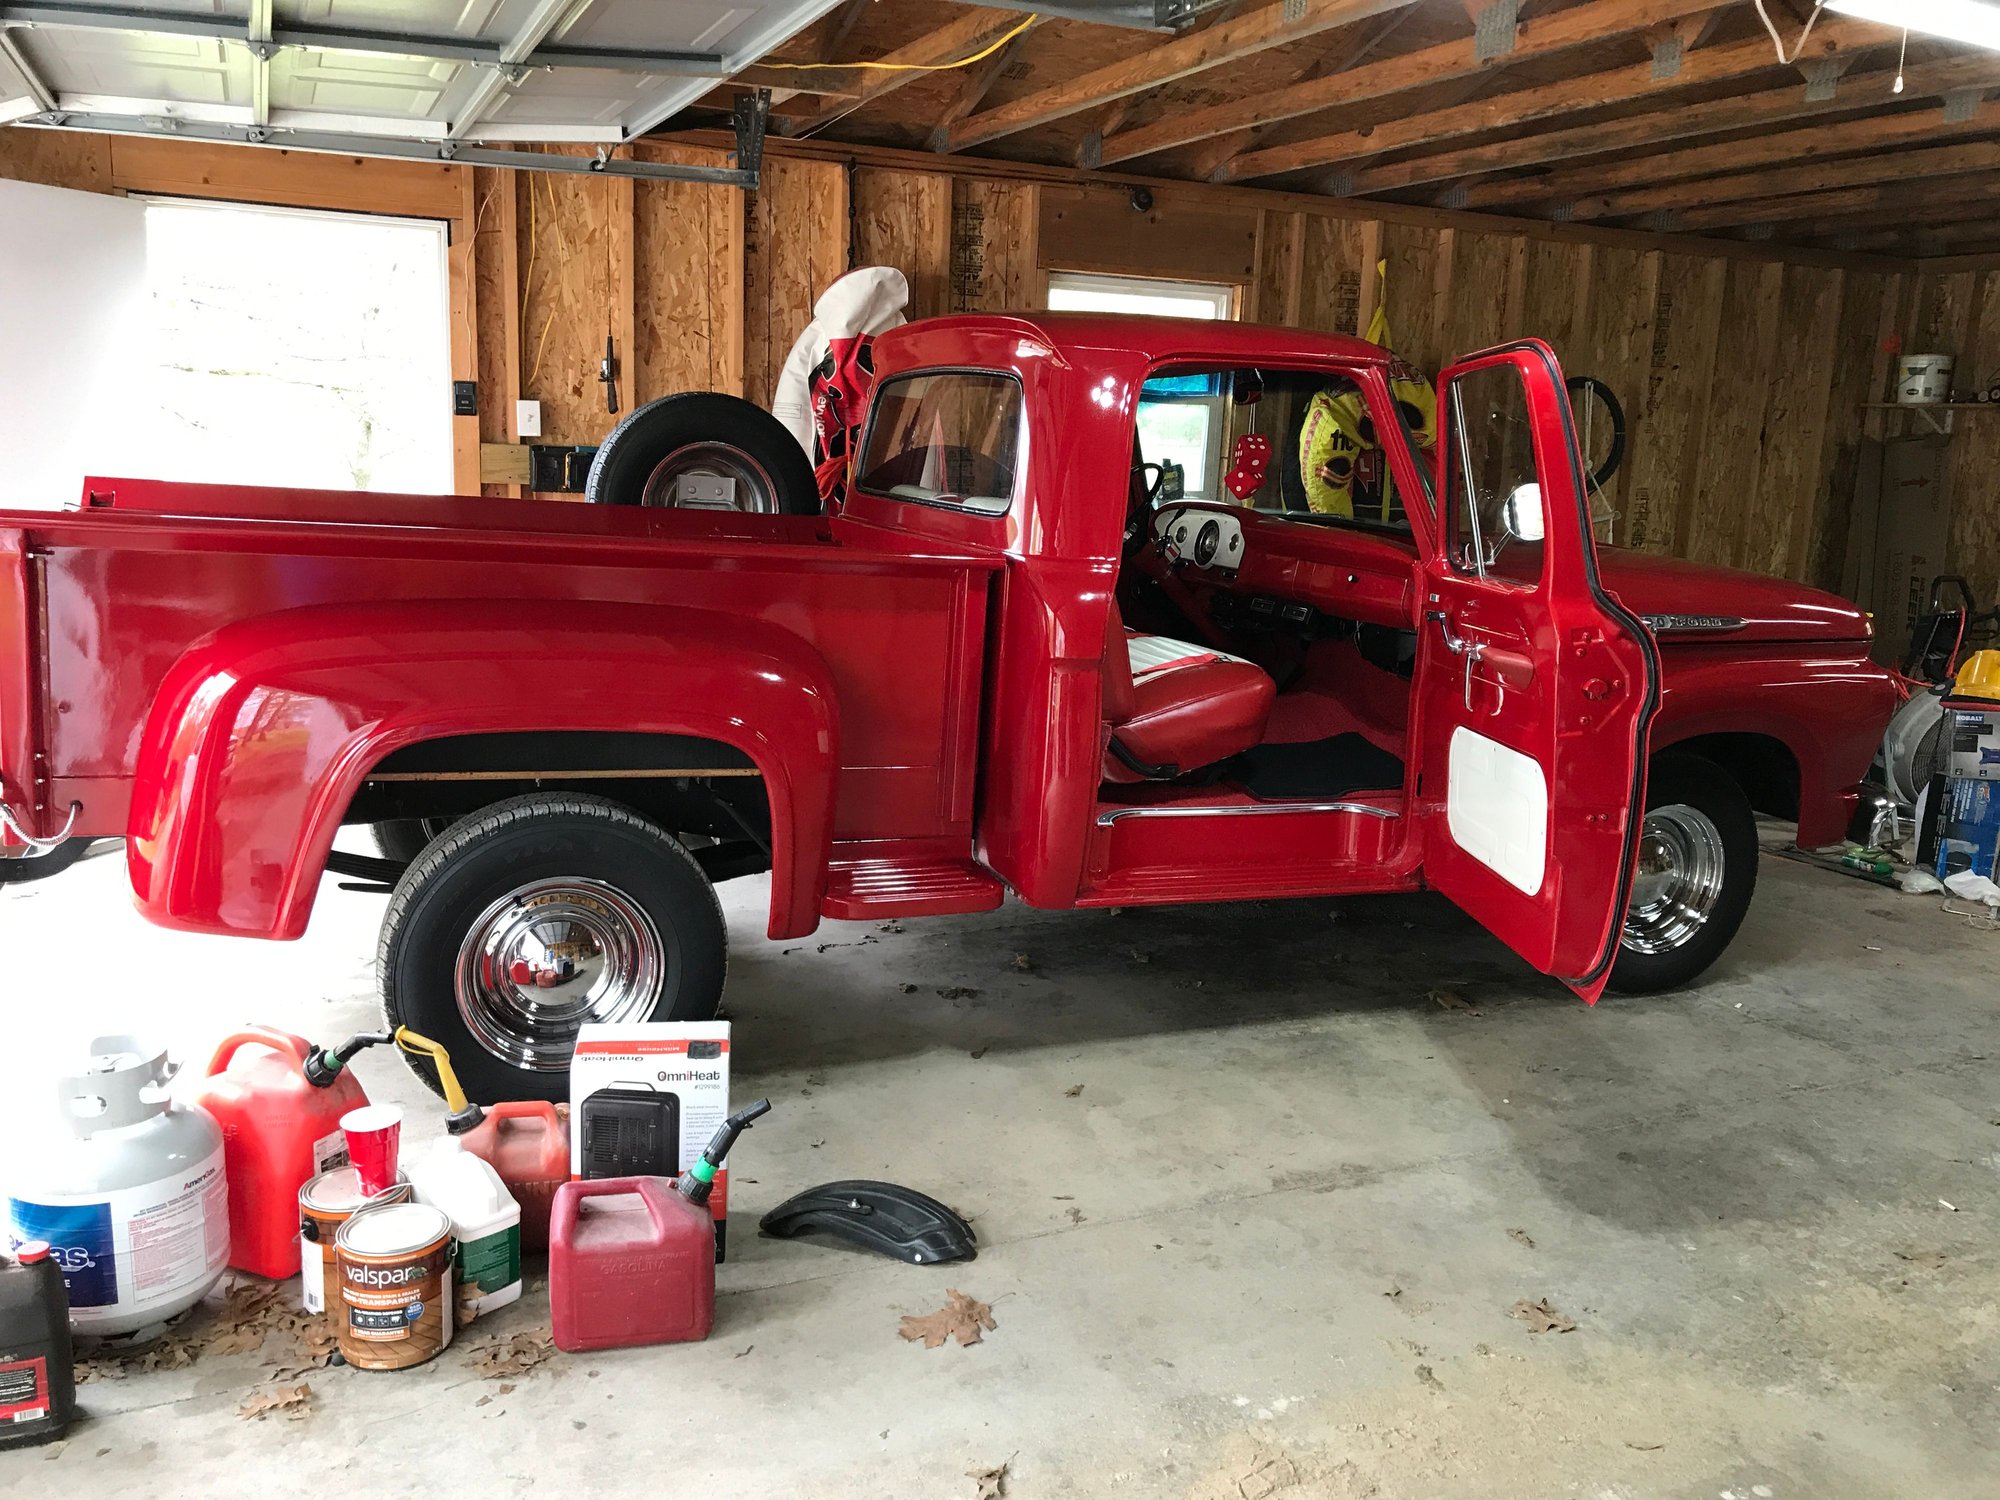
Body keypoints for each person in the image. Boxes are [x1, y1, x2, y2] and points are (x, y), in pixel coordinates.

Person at [770, 266, 910, 509]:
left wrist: (792, 482)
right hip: (883, 478)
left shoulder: (815, 335)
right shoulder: (898, 331)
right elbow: (912, 409)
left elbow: (791, 413)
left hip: (823, 481)